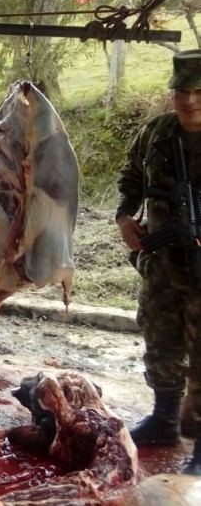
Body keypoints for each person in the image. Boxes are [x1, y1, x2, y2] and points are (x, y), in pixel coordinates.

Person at [116, 49, 201, 475]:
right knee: (161, 342)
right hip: (163, 266)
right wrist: (125, 217)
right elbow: (130, 179)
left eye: (198, 91)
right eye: (181, 90)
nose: (189, 100)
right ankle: (164, 420)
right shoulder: (157, 134)